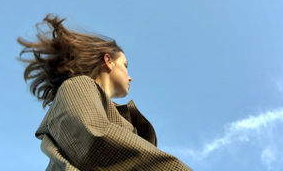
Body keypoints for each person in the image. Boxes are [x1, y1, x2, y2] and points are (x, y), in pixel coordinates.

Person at [17, 14, 193, 171]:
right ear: (108, 60)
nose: (130, 77)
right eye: (125, 66)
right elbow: (95, 141)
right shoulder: (77, 85)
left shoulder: (111, 110)